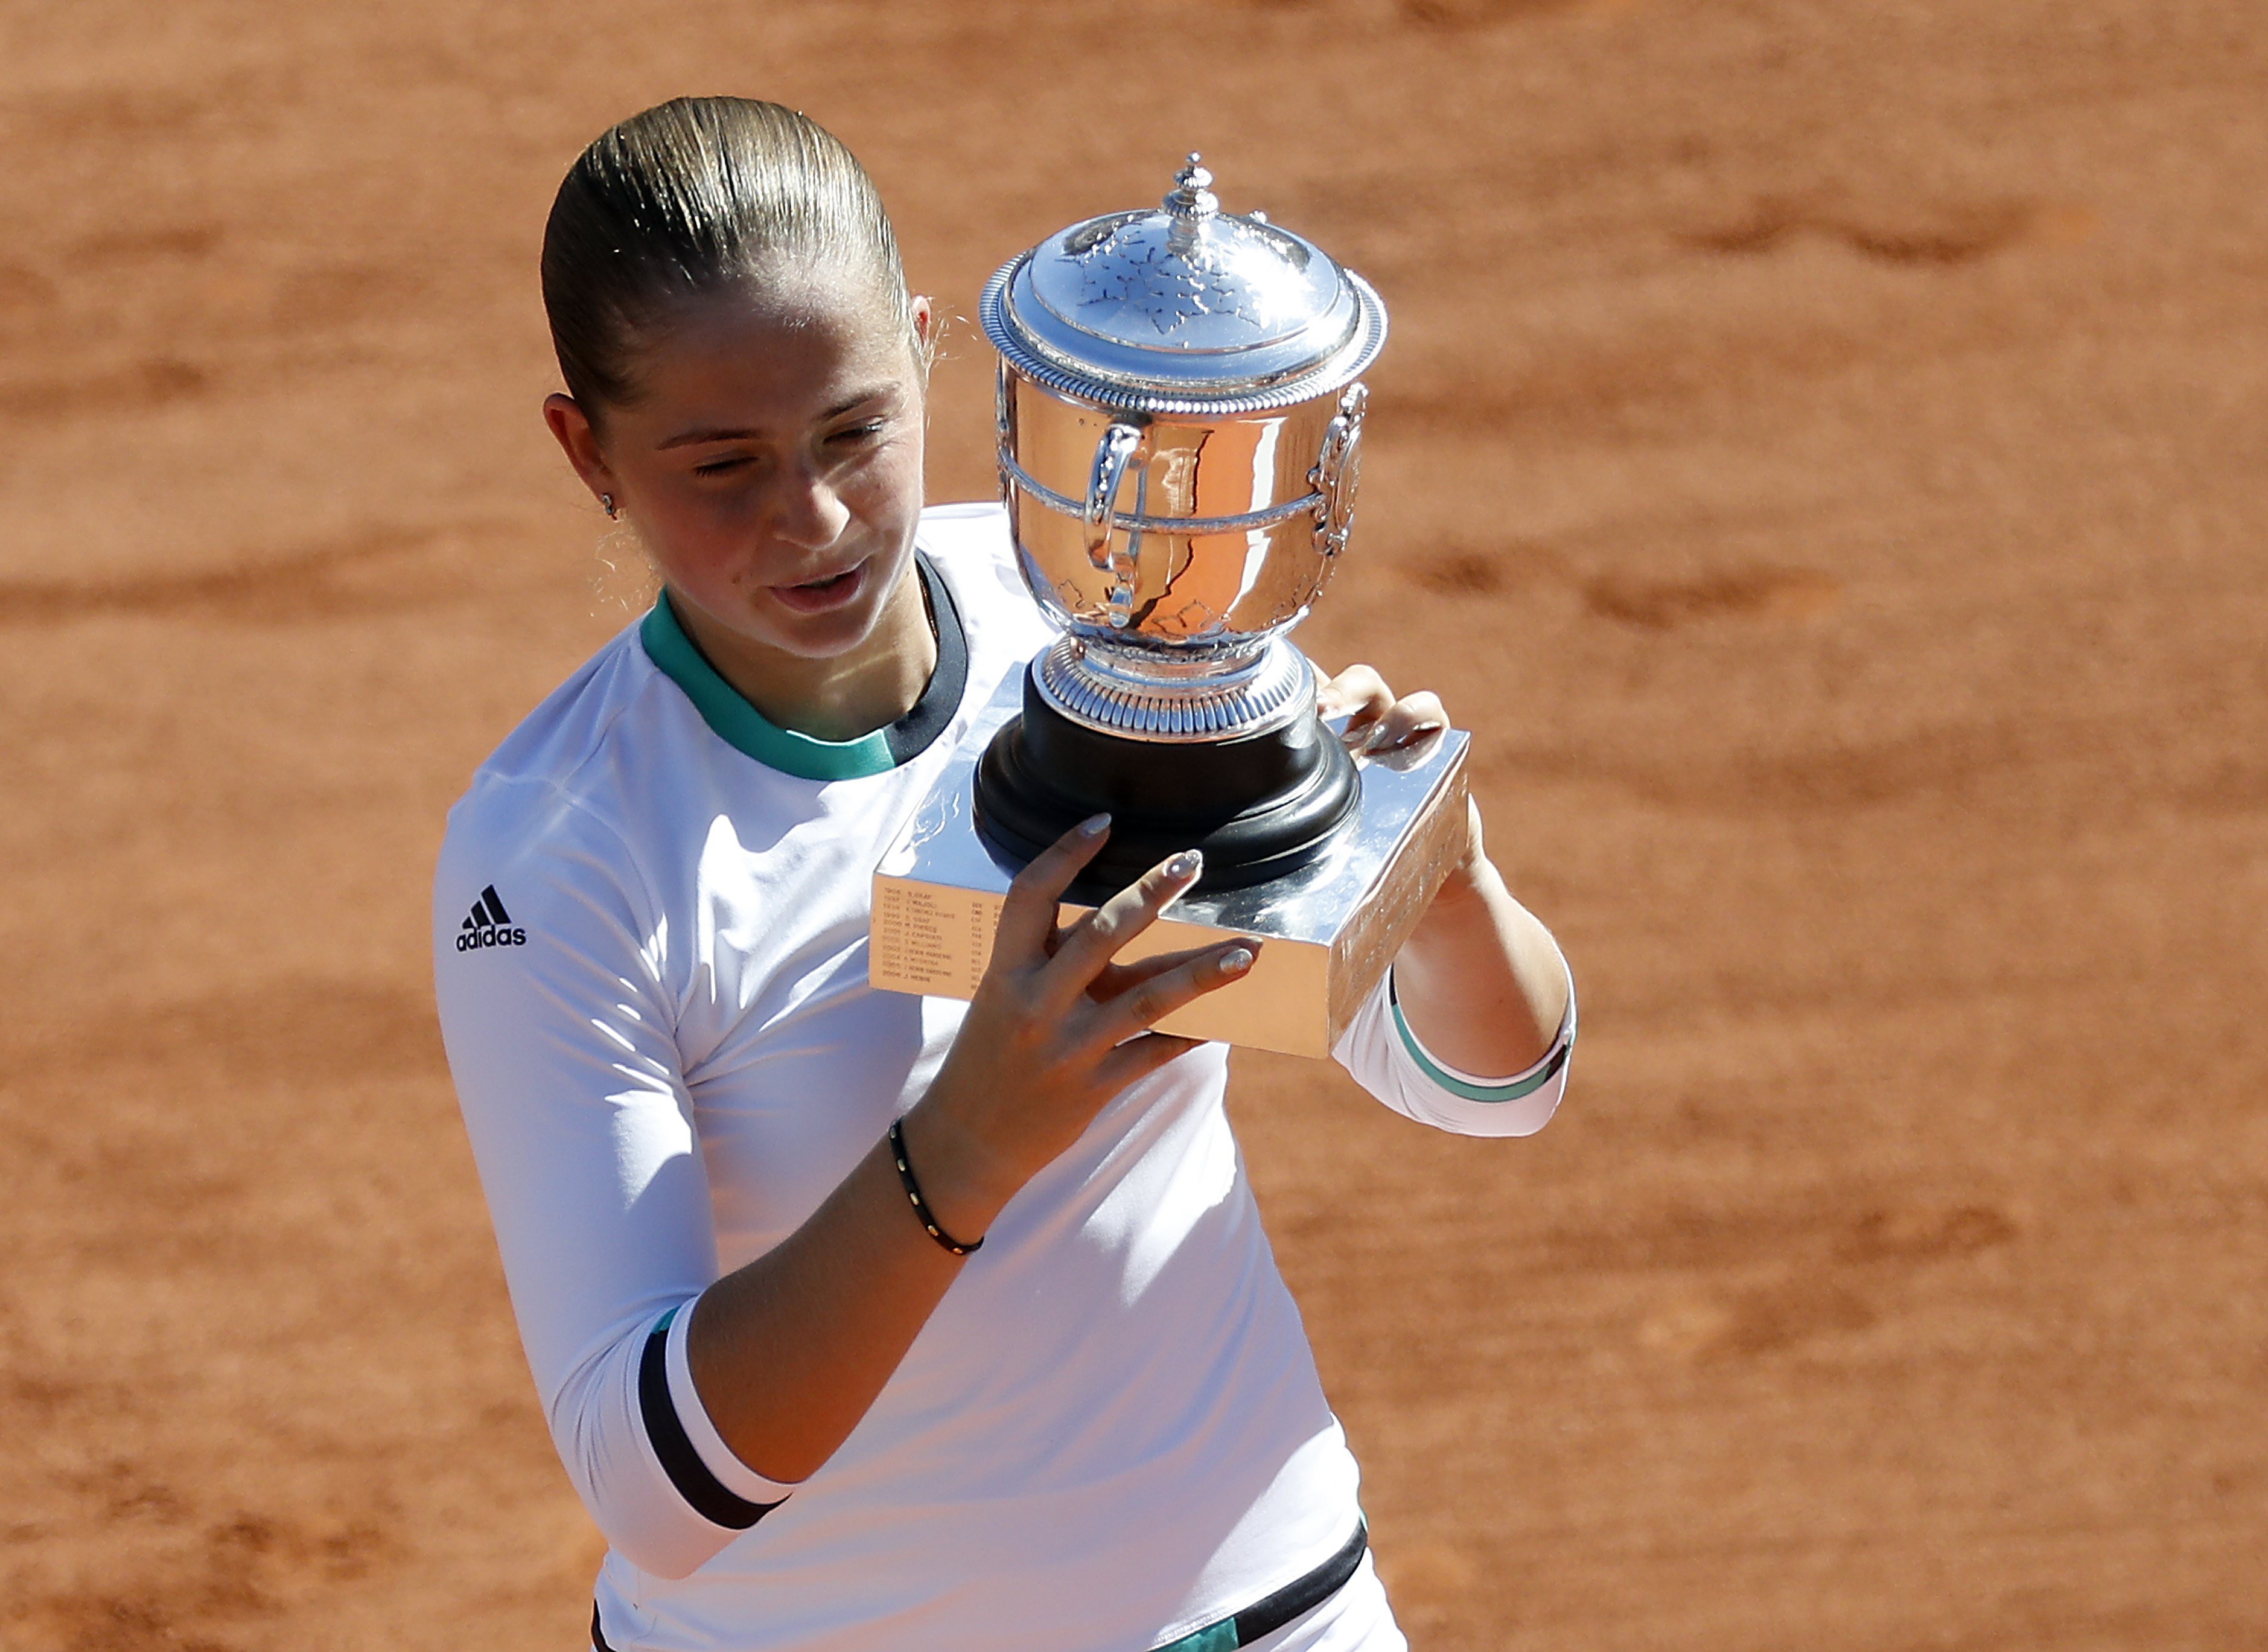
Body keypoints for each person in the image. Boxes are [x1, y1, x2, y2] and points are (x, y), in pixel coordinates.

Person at [432, 97, 1576, 1652]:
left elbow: (1493, 1086)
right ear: (590, 453)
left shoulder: (1106, 640)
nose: (814, 517)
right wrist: (967, 1140)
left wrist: (1433, 879)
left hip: (1265, 1609)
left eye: (853, 428)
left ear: (922, 352)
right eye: (722, 466)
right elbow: (652, 1485)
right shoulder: (562, 852)